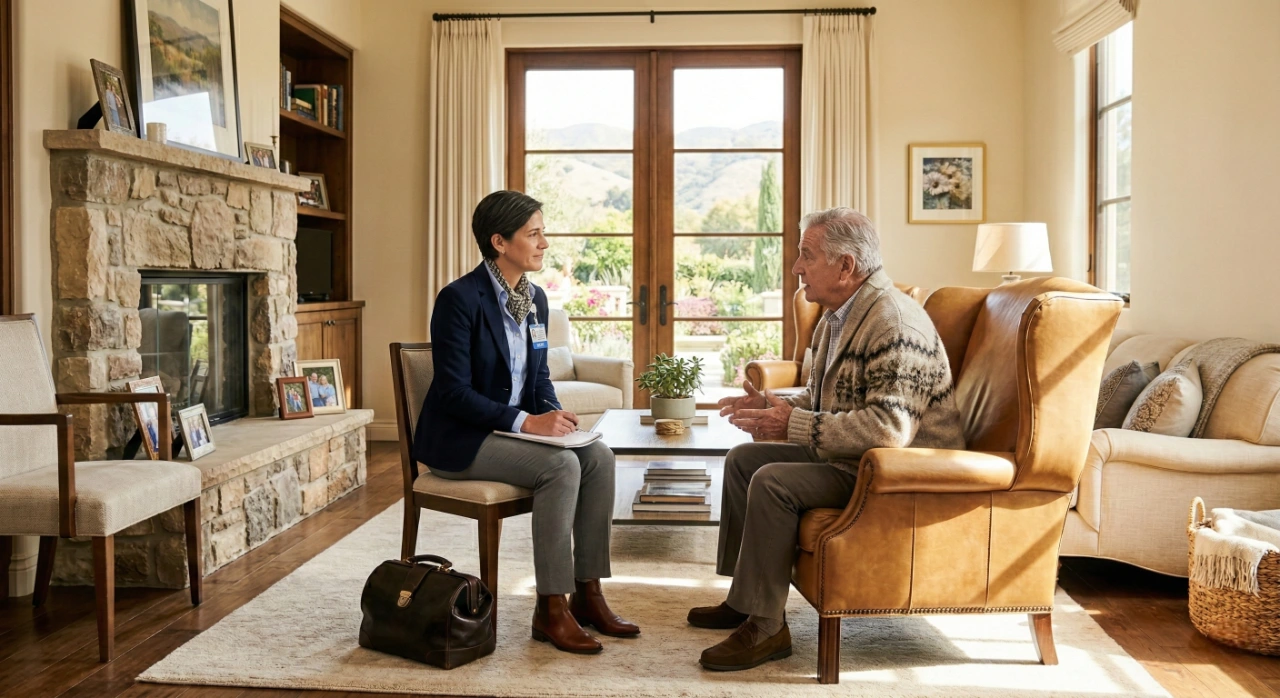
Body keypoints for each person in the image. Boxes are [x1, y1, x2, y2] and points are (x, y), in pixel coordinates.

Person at [688, 207, 966, 672]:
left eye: (806, 255)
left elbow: (889, 429)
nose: (796, 268)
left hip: (896, 475)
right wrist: (774, 406)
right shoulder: (838, 315)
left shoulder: (895, 322)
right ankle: (748, 599)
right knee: (743, 460)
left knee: (773, 480)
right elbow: (826, 398)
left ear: (846, 266)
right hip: (853, 460)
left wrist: (790, 425)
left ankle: (767, 629)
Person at [412, 189, 637, 655]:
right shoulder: (459, 299)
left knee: (598, 457)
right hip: (462, 440)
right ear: (499, 241)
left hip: (507, 429)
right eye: (534, 234)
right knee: (560, 468)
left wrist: (557, 417)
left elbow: (537, 378)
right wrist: (526, 422)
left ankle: (587, 593)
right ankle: (550, 608)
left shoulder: (533, 298)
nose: (544, 244)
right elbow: (453, 393)